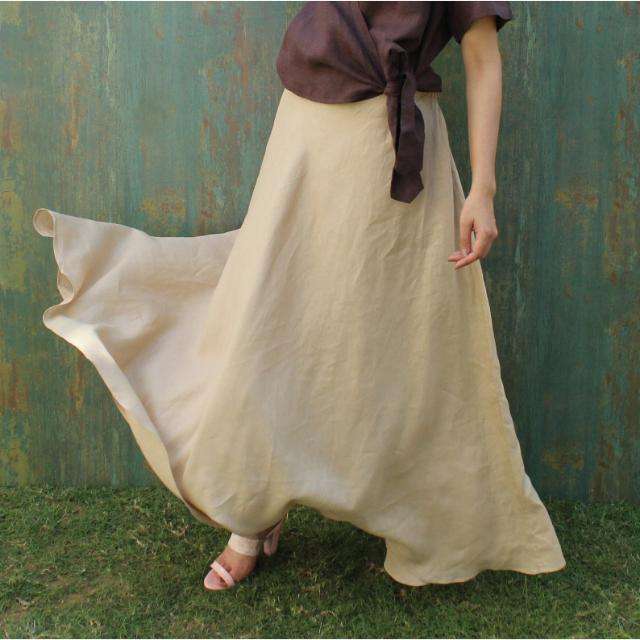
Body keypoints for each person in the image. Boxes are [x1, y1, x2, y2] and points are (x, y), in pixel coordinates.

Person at [33, 1, 566, 591]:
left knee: (394, 346)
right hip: (307, 130)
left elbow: (482, 56)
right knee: (269, 320)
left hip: (392, 155)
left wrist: (483, 189)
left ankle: (423, 517)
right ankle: (250, 517)